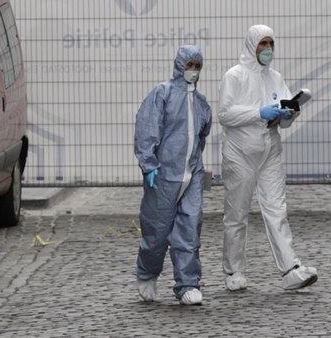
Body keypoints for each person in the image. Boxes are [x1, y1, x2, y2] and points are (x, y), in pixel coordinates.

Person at [218, 24, 318, 291]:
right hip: (240, 154)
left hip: (270, 151)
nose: (268, 49)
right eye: (263, 44)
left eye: (271, 44)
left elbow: (282, 119)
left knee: (277, 210)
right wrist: (258, 112)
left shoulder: (275, 77)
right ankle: (233, 271)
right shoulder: (234, 76)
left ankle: (290, 268)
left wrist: (288, 115)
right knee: (237, 213)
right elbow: (225, 115)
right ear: (252, 44)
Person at [134, 45, 212, 305]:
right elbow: (148, 128)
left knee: (190, 230)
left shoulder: (201, 102)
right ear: (179, 65)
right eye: (189, 65)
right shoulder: (163, 93)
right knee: (157, 230)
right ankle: (147, 273)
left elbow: (201, 136)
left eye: (197, 66)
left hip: (192, 176)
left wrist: (197, 167)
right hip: (165, 175)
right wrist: (149, 165)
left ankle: (188, 284)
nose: (193, 70)